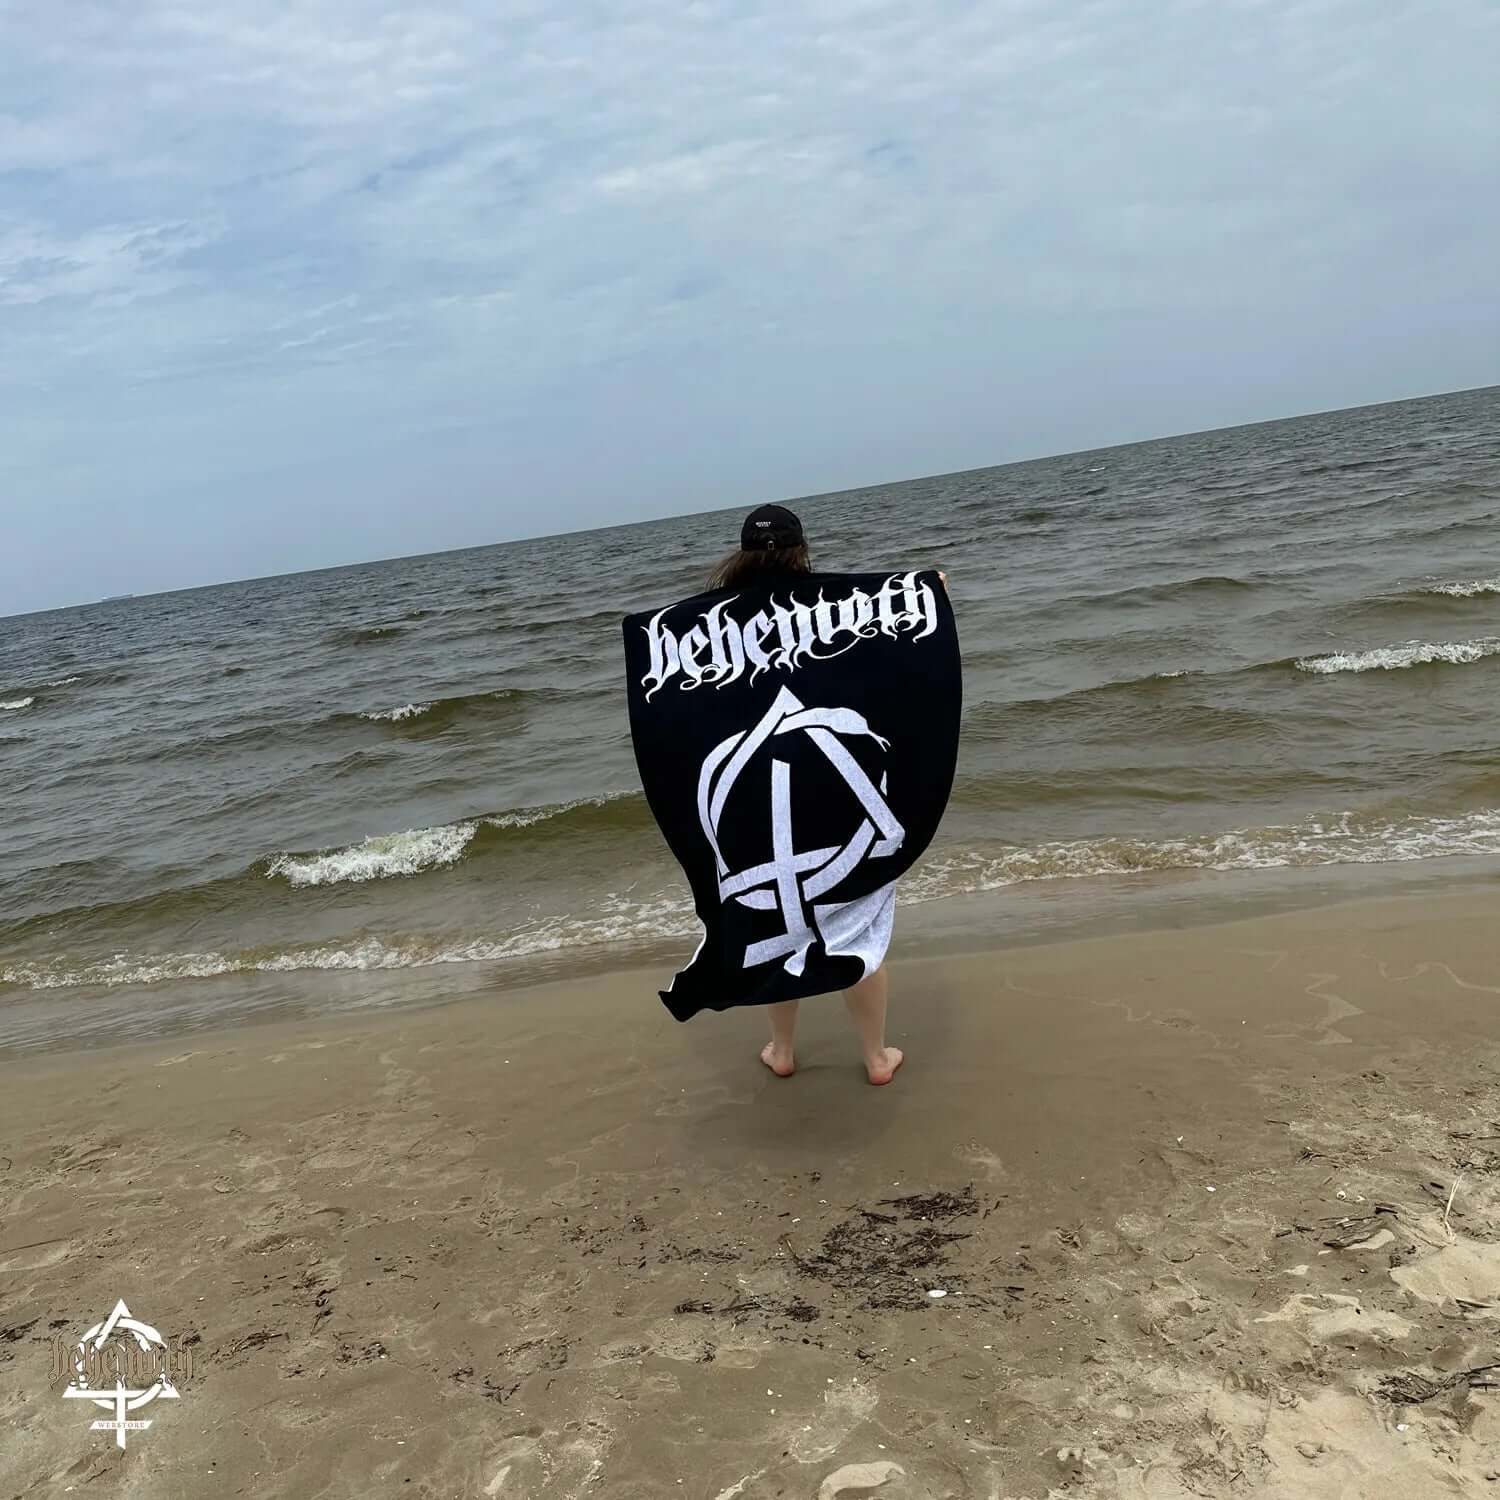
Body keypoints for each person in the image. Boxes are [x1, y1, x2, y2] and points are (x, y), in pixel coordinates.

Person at [706, 504, 946, 1087]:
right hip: (832, 792)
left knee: (774, 926)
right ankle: (875, 1057)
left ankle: (781, 1050)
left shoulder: (708, 625)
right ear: (801, 551)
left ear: (739, 555)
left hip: (752, 795)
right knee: (854, 924)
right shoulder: (834, 612)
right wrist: (927, 593)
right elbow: (889, 655)